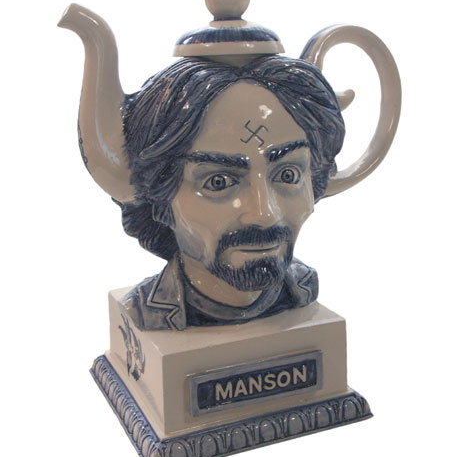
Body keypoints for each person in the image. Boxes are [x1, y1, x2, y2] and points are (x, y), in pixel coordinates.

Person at [118, 54, 345, 329]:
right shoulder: (142, 313)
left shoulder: (303, 286)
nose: (264, 214)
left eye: (288, 175)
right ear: (161, 197)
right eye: (219, 182)